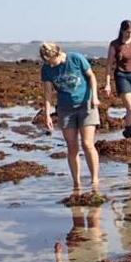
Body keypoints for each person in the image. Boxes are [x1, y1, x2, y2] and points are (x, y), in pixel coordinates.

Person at [40, 42, 101, 190]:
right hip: (65, 109)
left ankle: (94, 181)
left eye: (51, 61)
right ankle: (77, 183)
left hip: (86, 106)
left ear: (57, 54)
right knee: (72, 147)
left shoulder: (76, 59)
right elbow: (48, 93)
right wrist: (47, 114)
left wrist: (94, 97)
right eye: (46, 62)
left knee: (87, 144)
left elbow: (91, 76)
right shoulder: (47, 69)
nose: (50, 65)